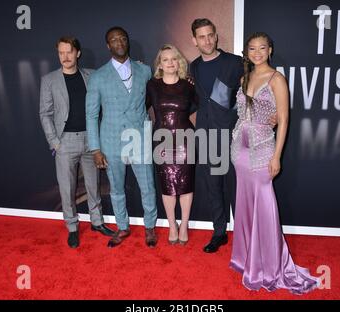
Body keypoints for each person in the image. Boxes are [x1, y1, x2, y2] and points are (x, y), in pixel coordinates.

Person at [230, 32, 320, 294]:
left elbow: (284, 119)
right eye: (252, 48)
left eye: (262, 48)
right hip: (239, 149)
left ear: (270, 50)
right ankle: (247, 258)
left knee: (264, 205)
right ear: (247, 52)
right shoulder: (243, 78)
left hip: (262, 149)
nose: (257, 52)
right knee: (245, 204)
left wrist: (277, 155)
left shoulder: (277, 79)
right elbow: (241, 113)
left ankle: (268, 265)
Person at [86, 26, 158, 248]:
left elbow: (156, 95)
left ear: (128, 41)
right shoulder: (98, 77)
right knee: (116, 188)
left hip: (139, 138)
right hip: (110, 140)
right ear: (108, 45)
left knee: (148, 186)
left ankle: (150, 227)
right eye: (113, 39)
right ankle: (122, 226)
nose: (119, 42)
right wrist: (95, 149)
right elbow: (91, 114)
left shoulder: (144, 71)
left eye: (122, 38)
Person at [39, 36, 114, 249]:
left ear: (77, 53)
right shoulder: (49, 80)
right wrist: (55, 142)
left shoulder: (92, 76)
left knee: (93, 185)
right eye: (61, 53)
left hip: (91, 140)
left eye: (69, 52)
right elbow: (45, 114)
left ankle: (97, 222)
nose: (65, 57)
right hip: (65, 142)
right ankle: (72, 227)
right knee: (67, 188)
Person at [189, 18, 244, 253]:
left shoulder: (235, 62)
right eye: (202, 36)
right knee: (213, 186)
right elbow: (195, 100)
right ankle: (219, 232)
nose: (207, 40)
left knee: (236, 186)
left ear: (216, 36)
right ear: (194, 40)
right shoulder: (193, 67)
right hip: (207, 136)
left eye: (210, 35)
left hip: (233, 135)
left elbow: (251, 93)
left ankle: (243, 234)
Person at [146, 44, 198, 245]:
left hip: (186, 141)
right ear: (159, 64)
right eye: (165, 59)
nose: (170, 63)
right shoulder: (152, 85)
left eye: (173, 58)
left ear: (180, 62)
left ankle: (184, 225)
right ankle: (171, 225)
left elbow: (205, 106)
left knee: (186, 185)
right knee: (167, 186)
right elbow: (140, 108)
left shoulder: (189, 85)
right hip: (161, 141)